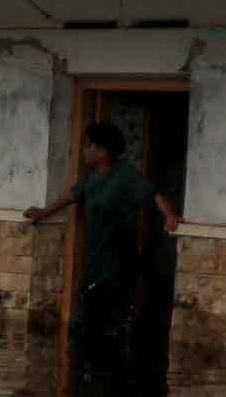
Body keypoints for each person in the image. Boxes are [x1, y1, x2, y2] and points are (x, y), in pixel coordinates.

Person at [27, 120, 178, 364]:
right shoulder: (91, 177)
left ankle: (107, 374)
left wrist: (170, 216)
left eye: (88, 146)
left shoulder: (125, 175)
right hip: (94, 260)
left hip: (118, 261)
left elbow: (154, 196)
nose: (84, 151)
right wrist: (44, 212)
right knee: (79, 324)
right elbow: (72, 195)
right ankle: (85, 373)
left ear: (103, 149)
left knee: (102, 323)